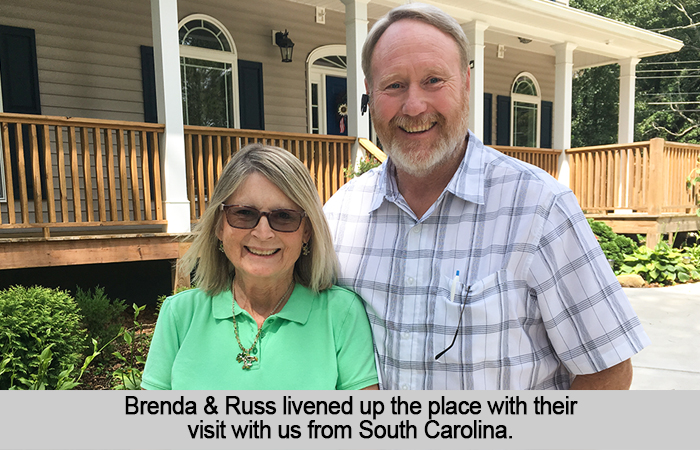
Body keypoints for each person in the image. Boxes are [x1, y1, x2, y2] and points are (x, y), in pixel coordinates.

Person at [323, 3, 650, 390]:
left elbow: (608, 369)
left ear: (465, 83)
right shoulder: (341, 216)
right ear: (369, 94)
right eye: (394, 85)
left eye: (433, 80)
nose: (414, 106)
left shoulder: (540, 208)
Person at [142, 143, 378, 390]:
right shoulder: (179, 315)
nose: (263, 233)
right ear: (219, 225)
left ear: (307, 231)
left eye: (284, 216)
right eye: (244, 213)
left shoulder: (341, 314)